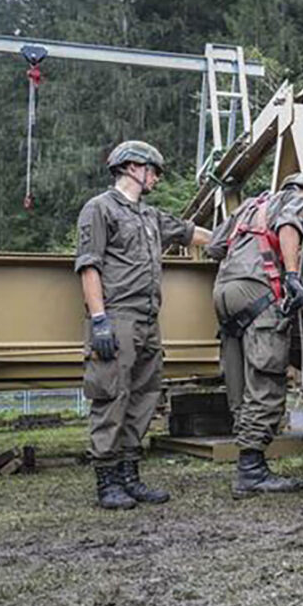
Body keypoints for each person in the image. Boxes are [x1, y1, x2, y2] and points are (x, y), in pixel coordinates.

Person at [75, 141, 212, 509]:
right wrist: (100, 319)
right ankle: (107, 480)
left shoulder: (150, 216)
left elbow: (189, 233)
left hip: (149, 320)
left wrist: (235, 239)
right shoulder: (99, 209)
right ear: (133, 167)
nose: (156, 177)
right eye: (153, 170)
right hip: (116, 316)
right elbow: (89, 265)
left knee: (144, 395)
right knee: (111, 393)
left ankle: (130, 475)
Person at [206, 172, 303, 499]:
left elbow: (214, 247)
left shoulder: (247, 207)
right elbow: (289, 224)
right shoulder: (299, 199)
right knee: (267, 376)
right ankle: (251, 470)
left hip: (224, 295)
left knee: (240, 381)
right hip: (259, 292)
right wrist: (290, 274)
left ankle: (247, 457)